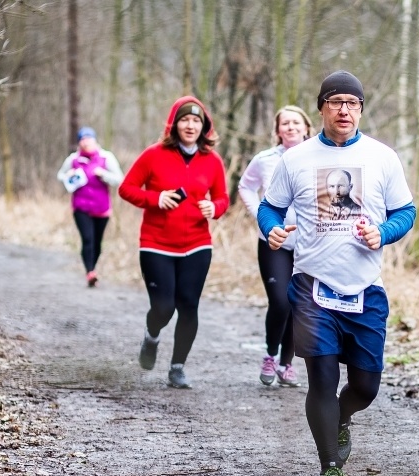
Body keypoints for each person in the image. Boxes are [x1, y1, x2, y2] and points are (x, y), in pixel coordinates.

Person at [257, 71, 415, 476]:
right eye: (336, 101)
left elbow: (406, 212)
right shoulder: (296, 159)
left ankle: (343, 417)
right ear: (322, 107)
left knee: (366, 385)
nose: (344, 109)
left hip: (366, 289)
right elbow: (270, 208)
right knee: (322, 379)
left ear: (360, 109)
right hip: (312, 289)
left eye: (352, 102)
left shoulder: (383, 157)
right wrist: (271, 228)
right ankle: (330, 467)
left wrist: (382, 232)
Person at [119, 96, 228, 389]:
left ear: (204, 126)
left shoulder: (212, 161)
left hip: (197, 243)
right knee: (164, 307)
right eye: (184, 120)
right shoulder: (153, 155)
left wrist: (214, 209)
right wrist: (156, 198)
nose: (190, 125)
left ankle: (177, 367)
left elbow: (222, 198)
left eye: (196, 120)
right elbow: (126, 188)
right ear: (174, 124)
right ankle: (152, 336)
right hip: (156, 243)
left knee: (189, 305)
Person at [238, 105, 314, 387]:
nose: (291, 127)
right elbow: (245, 186)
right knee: (280, 302)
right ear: (278, 130)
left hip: (309, 244)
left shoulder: (317, 157)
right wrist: (261, 216)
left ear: (307, 127)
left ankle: (286, 363)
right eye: (285, 123)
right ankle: (270, 356)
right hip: (274, 242)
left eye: (296, 122)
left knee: (299, 304)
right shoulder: (265, 159)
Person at [57, 126, 124, 287]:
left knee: (97, 243)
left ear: (95, 140)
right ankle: (90, 272)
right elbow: (60, 175)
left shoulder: (106, 157)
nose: (86, 142)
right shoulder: (73, 159)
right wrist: (68, 175)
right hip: (81, 207)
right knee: (88, 239)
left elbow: (120, 179)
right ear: (79, 142)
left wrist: (104, 174)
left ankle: (92, 268)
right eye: (82, 139)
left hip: (102, 208)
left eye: (89, 139)